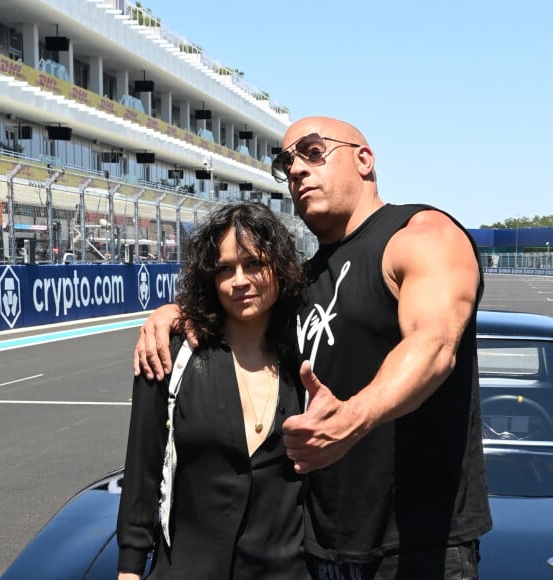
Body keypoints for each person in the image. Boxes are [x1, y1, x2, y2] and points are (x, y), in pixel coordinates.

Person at [134, 117, 492, 579]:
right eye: (287, 163)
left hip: (418, 548)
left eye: (313, 152)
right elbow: (240, 305)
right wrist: (178, 313)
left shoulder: (420, 235)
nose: (297, 170)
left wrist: (353, 418)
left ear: (364, 159)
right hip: (320, 551)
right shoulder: (303, 281)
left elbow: (435, 341)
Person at [117, 202, 311, 579]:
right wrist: (129, 569)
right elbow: (143, 467)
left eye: (254, 263)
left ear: (281, 267)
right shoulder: (171, 354)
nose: (239, 280)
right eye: (225, 268)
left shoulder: (306, 357)